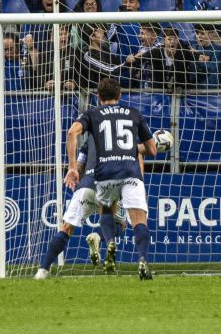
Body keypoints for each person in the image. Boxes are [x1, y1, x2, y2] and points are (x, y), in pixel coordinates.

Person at [59, 77, 158, 280]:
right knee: (131, 222)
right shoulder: (132, 118)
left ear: (98, 97)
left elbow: (81, 156)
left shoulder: (94, 127)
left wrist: (73, 171)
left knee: (104, 215)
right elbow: (147, 152)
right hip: (127, 177)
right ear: (120, 95)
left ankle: (100, 238)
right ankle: (139, 258)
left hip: (98, 179)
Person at [33, 134, 131, 279]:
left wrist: (76, 176)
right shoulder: (123, 134)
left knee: (66, 228)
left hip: (86, 185)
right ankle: (97, 236)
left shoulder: (91, 136)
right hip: (109, 185)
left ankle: (43, 270)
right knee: (121, 224)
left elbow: (79, 164)